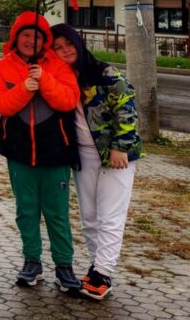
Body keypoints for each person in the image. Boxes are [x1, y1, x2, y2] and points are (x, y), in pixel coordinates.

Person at [0, 12, 82, 293]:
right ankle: (32, 261)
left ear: (45, 41)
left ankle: (64, 265)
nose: (31, 40)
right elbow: (0, 104)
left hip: (55, 153)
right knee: (26, 210)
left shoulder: (58, 66)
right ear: (16, 37)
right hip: (18, 153)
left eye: (38, 36)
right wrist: (24, 88)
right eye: (26, 35)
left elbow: (68, 100)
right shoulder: (1, 67)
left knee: (57, 212)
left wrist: (44, 80)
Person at [51, 23, 142, 301]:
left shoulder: (106, 74)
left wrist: (120, 147)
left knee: (110, 216)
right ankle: (96, 268)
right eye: (57, 47)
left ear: (78, 43)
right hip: (84, 156)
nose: (64, 50)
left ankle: (103, 272)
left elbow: (127, 109)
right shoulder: (63, 78)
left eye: (68, 44)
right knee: (89, 216)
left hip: (115, 156)